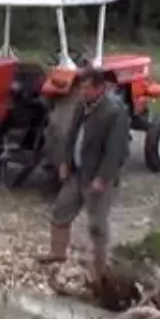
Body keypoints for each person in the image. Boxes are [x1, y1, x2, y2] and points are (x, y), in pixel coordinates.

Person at [38, 67, 130, 287]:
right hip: (78, 172)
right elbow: (71, 135)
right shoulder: (82, 105)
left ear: (100, 88)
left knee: (97, 224)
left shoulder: (115, 112)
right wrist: (65, 162)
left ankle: (100, 271)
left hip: (98, 177)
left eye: (87, 88)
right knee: (60, 211)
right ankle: (57, 253)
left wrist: (103, 178)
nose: (82, 92)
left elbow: (116, 150)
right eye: (81, 88)